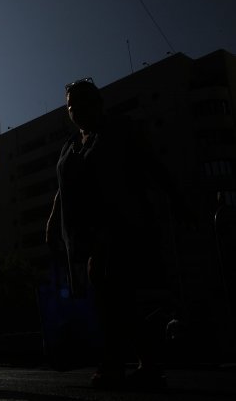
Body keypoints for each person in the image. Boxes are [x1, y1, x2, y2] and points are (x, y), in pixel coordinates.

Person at [45, 77, 175, 389]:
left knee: (110, 294)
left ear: (98, 102)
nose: (76, 109)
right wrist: (52, 221)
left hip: (120, 226)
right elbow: (62, 190)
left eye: (83, 101)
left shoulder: (120, 130)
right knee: (114, 298)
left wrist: (180, 203)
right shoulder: (72, 143)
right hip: (88, 234)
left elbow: (152, 167)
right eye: (71, 105)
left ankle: (118, 364)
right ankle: (142, 364)